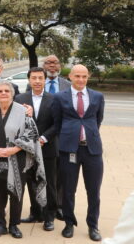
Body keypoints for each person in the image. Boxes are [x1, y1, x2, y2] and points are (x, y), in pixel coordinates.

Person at [0, 81, 46, 239]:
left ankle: (14, 225)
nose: (3, 93)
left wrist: (14, 149)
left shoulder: (23, 112)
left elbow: (31, 134)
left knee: (16, 193)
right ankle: (0, 224)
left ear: (12, 93)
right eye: (0, 91)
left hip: (17, 159)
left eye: (7, 90)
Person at [53, 64, 104, 242]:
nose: (81, 79)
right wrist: (69, 137)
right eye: (77, 76)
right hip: (69, 150)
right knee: (68, 189)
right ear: (70, 77)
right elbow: (57, 123)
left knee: (93, 191)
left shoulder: (98, 96)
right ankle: (68, 222)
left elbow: (98, 120)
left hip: (92, 150)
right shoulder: (60, 97)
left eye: (84, 76)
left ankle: (93, 225)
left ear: (87, 77)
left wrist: (87, 135)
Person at [14, 67, 58, 231]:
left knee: (48, 183)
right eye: (34, 78)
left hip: (47, 148)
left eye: (40, 78)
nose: (37, 81)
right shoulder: (20, 98)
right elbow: (15, 122)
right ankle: (35, 213)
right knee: (31, 181)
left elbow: (57, 123)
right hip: (26, 149)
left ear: (45, 80)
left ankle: (49, 217)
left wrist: (43, 138)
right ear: (29, 80)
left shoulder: (54, 99)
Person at [43, 54, 70, 221]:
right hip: (41, 136)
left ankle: (58, 205)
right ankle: (40, 206)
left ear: (60, 65)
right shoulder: (36, 83)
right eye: (48, 62)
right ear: (43, 65)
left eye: (55, 62)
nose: (52, 65)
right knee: (41, 174)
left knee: (60, 173)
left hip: (61, 136)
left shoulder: (67, 85)